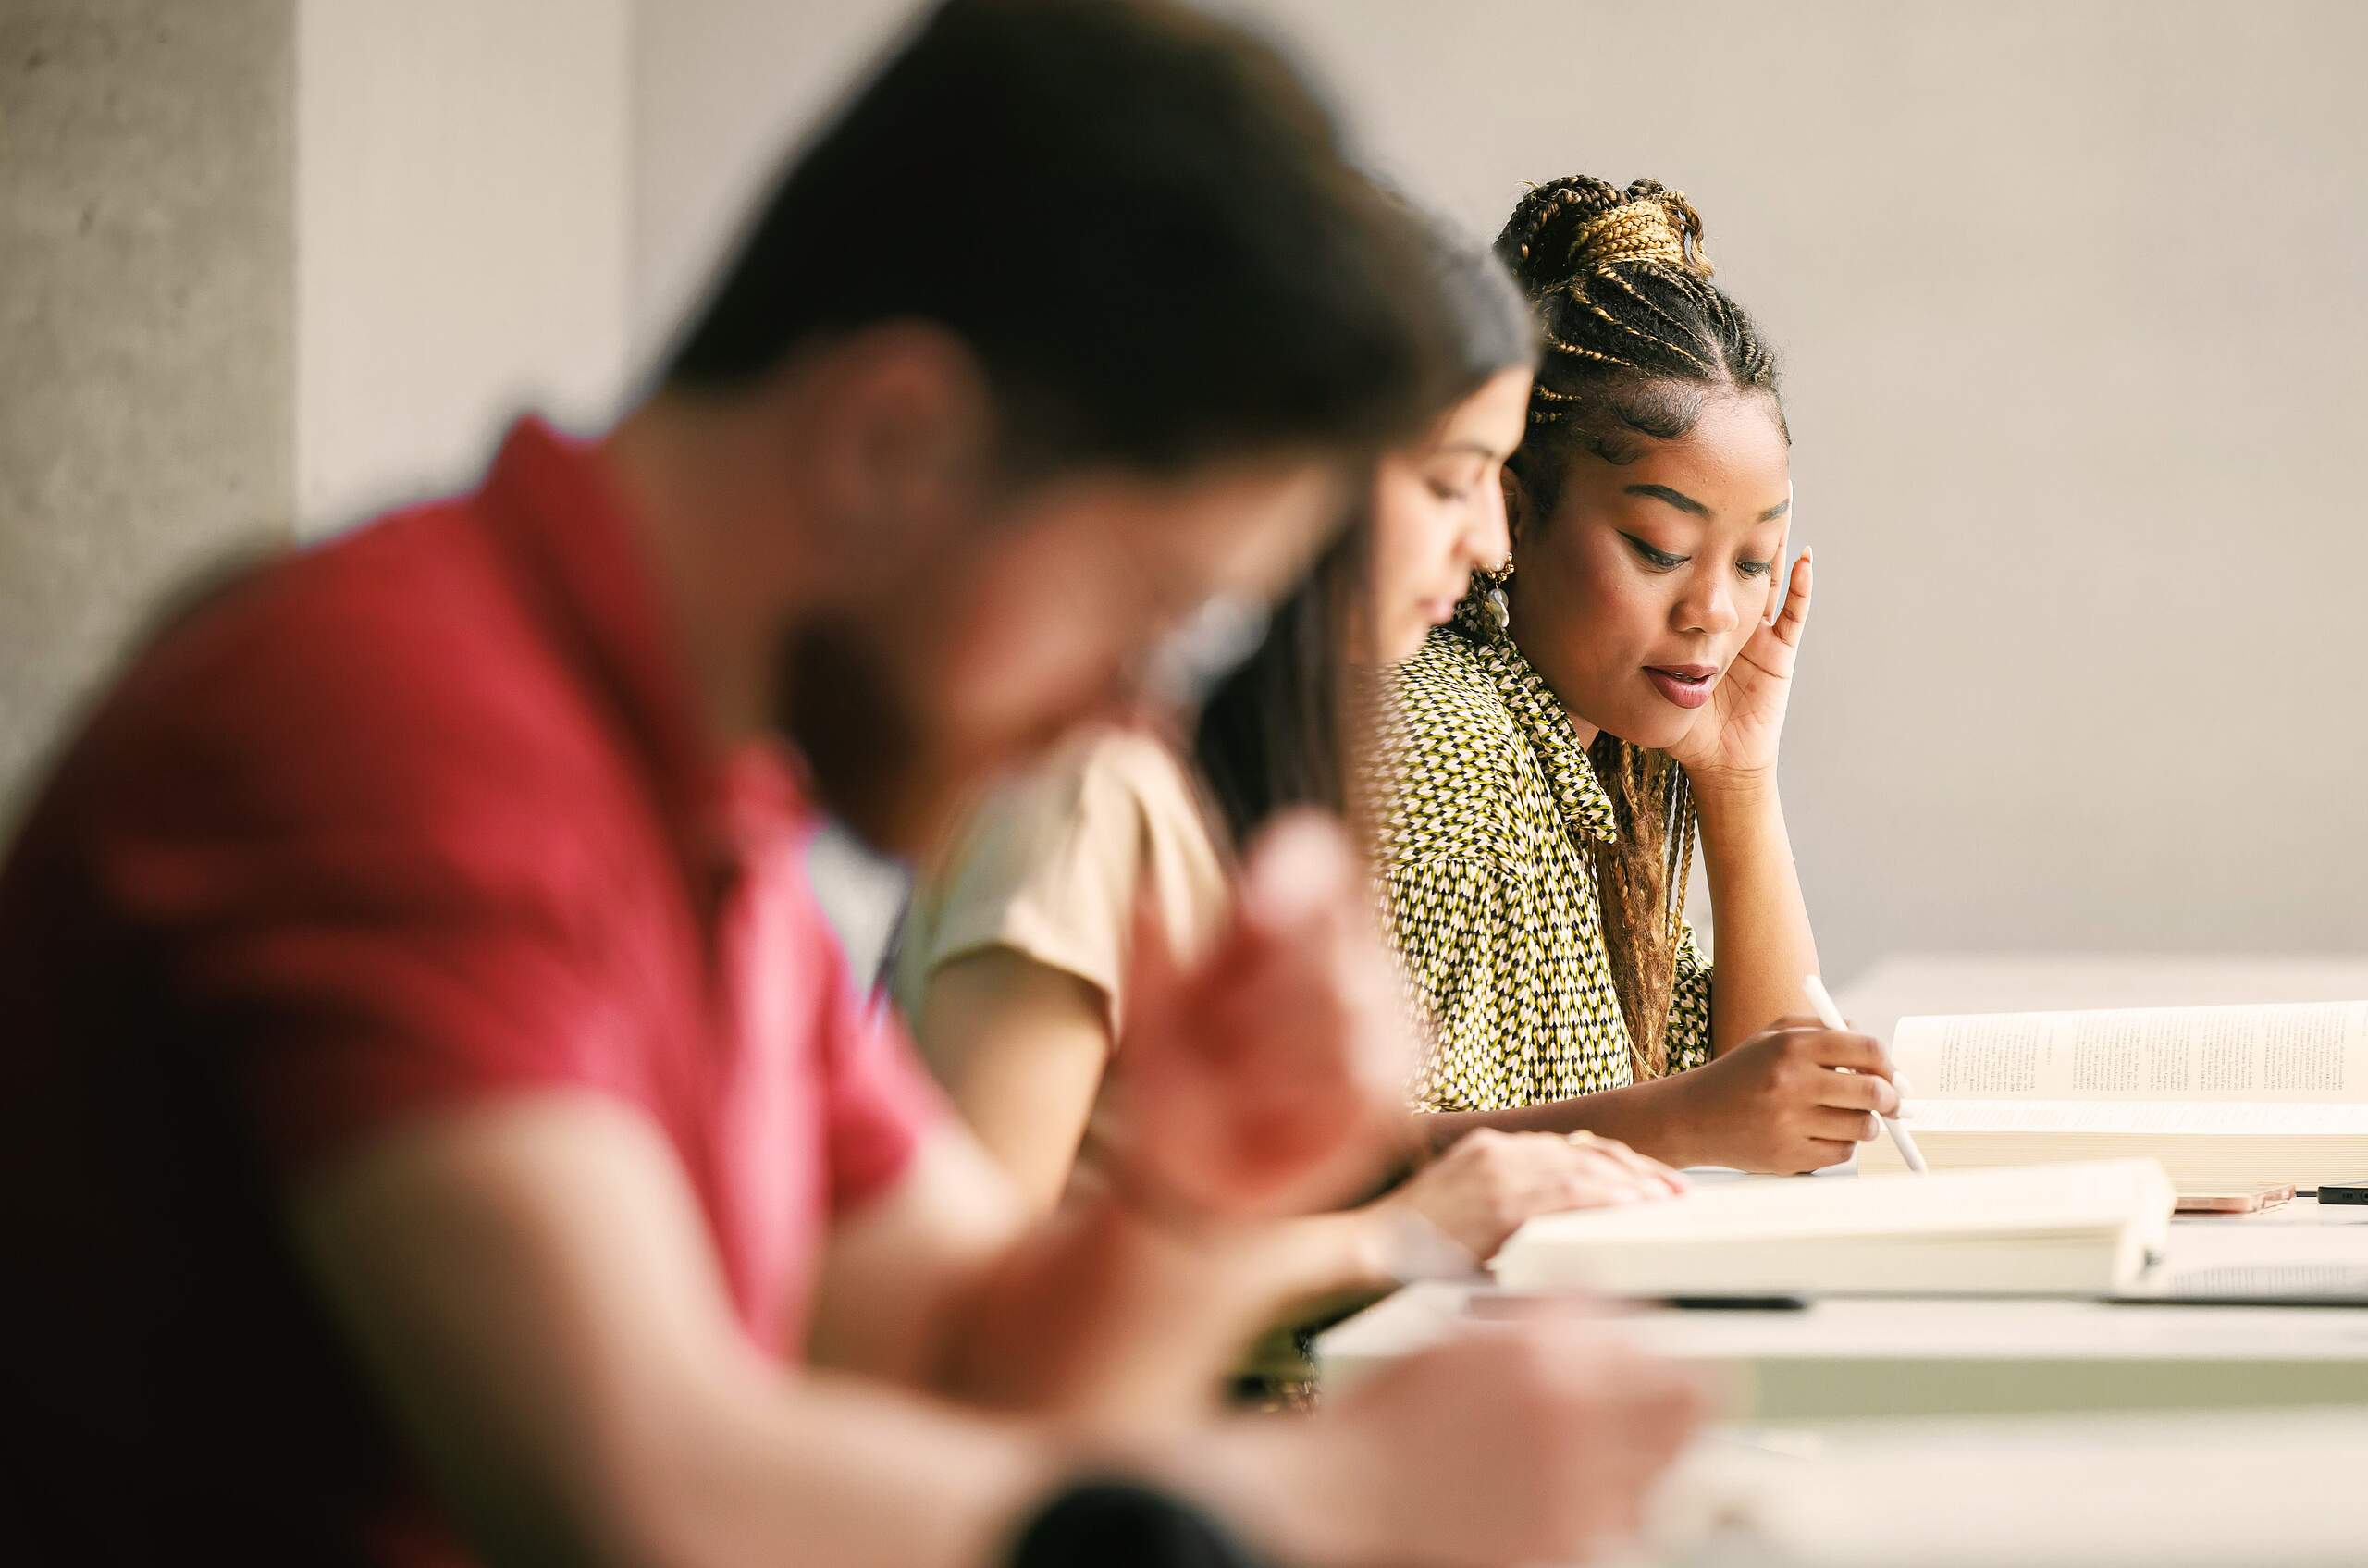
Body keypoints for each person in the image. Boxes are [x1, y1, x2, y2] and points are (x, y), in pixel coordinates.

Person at [0, 9, 1707, 1568]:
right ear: (893, 438)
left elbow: (964, 1369)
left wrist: (1190, 1198)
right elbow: (650, 1491)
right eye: (1143, 614)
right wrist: (1343, 1504)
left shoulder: (711, 797)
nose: (1129, 717)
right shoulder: (379, 724)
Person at [893, 215, 1685, 1301]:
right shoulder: (1083, 801)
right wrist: (1402, 1234)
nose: (1491, 550)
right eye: (1451, 485)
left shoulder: (1239, 790)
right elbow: (957, 1308)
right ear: (1304, 468)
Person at [1375, 174, 1898, 1176]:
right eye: (1659, 549)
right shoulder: (1446, 745)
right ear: (1515, 512)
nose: (1715, 612)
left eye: (1753, 564)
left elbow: (1774, 1120)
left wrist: (1739, 779)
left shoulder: (1606, 757)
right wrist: (1682, 1124)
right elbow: (1329, 1160)